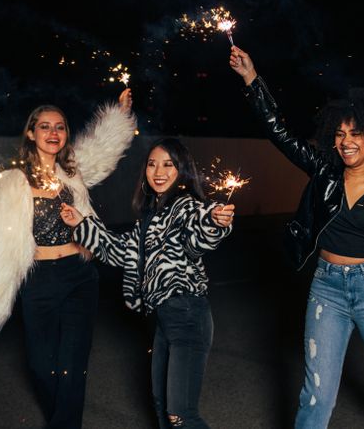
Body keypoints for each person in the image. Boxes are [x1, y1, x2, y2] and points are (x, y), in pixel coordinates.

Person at [229, 46, 364, 429]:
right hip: (326, 289)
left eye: (356, 133)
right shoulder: (324, 172)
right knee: (316, 396)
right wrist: (251, 80)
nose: (346, 141)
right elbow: (279, 132)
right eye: (340, 133)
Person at [0, 89, 136, 429]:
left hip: (79, 276)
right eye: (44, 126)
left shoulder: (73, 171)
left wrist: (119, 116)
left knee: (74, 364)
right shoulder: (11, 183)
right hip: (40, 279)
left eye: (60, 127)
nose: (53, 133)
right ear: (31, 133)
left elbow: (103, 149)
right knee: (41, 365)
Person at [60, 138, 235, 429]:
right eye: (152, 164)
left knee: (181, 415)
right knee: (162, 406)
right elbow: (119, 252)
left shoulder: (184, 206)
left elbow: (198, 233)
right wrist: (81, 223)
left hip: (188, 315)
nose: (158, 171)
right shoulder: (150, 217)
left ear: (182, 171)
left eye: (168, 164)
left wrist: (215, 221)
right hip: (165, 319)